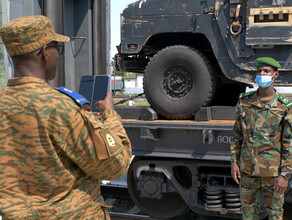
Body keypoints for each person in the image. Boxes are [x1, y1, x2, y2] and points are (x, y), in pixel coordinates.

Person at [0, 15, 132, 219]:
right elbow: (115, 165)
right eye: (57, 48)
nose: (58, 55)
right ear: (44, 53)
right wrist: (110, 116)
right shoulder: (61, 108)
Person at [230, 57, 292, 219]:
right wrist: (234, 161)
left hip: (272, 173)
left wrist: (285, 175)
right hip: (247, 170)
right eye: (259, 71)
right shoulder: (244, 102)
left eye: (266, 71)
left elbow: (289, 143)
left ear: (275, 75)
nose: (262, 74)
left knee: (275, 215)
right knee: (249, 215)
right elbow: (237, 134)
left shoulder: (283, 106)